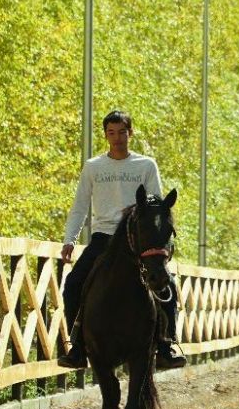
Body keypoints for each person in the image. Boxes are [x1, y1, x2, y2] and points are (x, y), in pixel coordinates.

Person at [57, 110, 186, 370]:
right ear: (105, 135)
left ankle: (165, 345)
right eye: (111, 133)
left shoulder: (146, 165)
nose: (117, 138)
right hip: (104, 237)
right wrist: (69, 239)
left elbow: (156, 205)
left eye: (122, 132)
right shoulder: (93, 167)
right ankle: (77, 347)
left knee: (166, 284)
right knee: (73, 284)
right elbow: (80, 206)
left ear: (131, 133)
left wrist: (158, 242)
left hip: (137, 239)